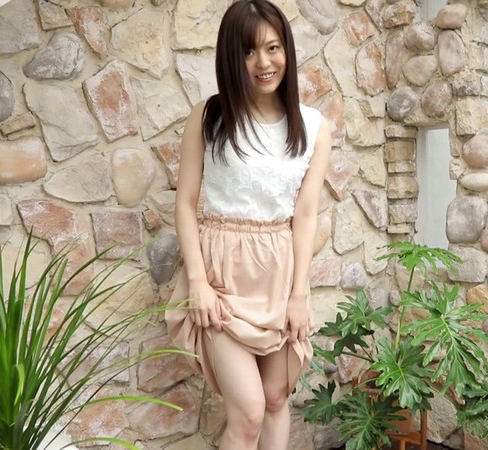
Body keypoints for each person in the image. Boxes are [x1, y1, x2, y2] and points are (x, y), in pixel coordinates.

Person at [164, 0, 331, 449]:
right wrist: (197, 282)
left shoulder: (314, 127)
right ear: (231, 58)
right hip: (221, 275)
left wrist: (300, 294)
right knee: (249, 412)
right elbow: (185, 203)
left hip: (278, 276)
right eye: (248, 51)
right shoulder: (209, 117)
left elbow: (305, 214)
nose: (263, 62)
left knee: (275, 399)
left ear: (286, 50)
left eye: (273, 48)